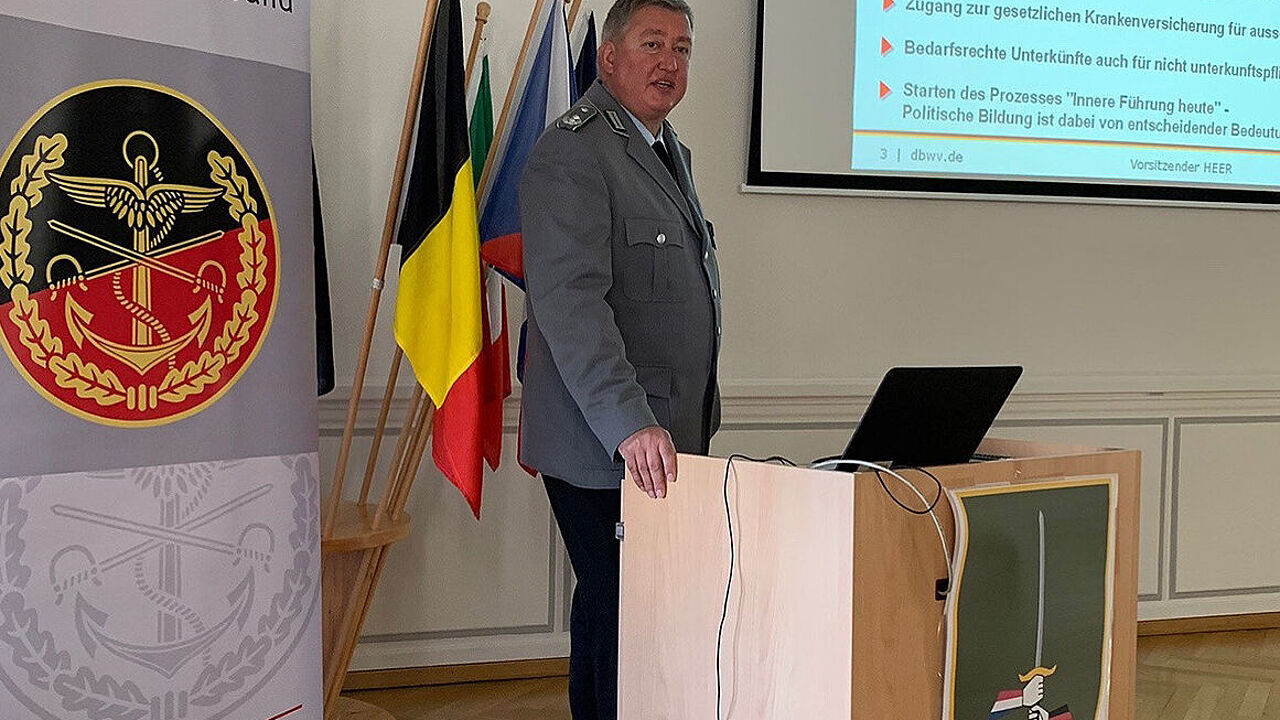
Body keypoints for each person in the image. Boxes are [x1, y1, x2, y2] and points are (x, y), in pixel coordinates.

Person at [518, 0, 721, 717]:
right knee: (624, 619)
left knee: (616, 615)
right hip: (606, 442)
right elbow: (571, 307)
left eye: (683, 48)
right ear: (608, 57)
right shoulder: (575, 150)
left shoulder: (666, 152)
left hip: (661, 438)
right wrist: (629, 424)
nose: (670, 61)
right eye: (652, 43)